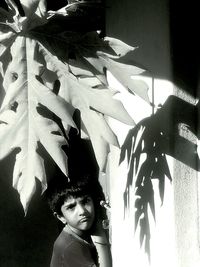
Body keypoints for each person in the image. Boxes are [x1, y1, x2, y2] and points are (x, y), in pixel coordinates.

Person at [48, 179, 112, 267]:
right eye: (71, 207)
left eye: (85, 201)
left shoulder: (79, 234)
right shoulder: (69, 247)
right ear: (61, 217)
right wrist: (101, 240)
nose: (82, 211)